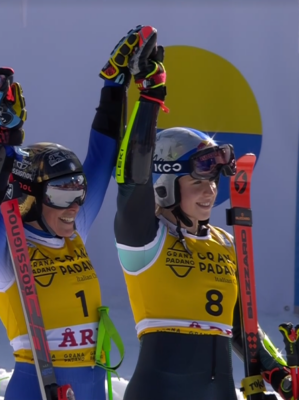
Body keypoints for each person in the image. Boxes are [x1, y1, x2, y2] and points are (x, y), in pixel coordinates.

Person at [0, 27, 145, 400]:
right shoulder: (2, 253)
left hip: (92, 387)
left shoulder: (72, 227)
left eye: (78, 193)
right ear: (31, 195)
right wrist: (8, 138)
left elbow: (102, 159)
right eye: (62, 194)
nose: (76, 206)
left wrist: (115, 84)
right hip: (36, 387)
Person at [113, 25, 293, 400]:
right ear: (165, 184)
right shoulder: (144, 239)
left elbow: (244, 329)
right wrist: (150, 97)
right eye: (197, 182)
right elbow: (132, 178)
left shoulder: (225, 243)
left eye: (213, 182)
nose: (210, 191)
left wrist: (279, 373)